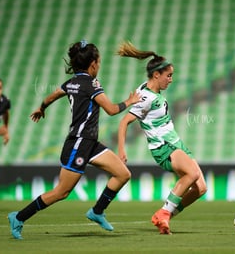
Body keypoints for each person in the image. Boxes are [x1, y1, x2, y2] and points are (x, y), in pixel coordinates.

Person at [8, 40, 141, 240]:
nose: (99, 65)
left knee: (122, 174)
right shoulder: (91, 83)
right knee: (61, 192)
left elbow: (53, 95)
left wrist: (41, 108)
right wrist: (129, 102)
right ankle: (18, 217)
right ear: (93, 63)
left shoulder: (72, 82)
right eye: (99, 62)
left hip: (89, 143)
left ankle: (97, 211)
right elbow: (112, 110)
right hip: (79, 143)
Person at [116, 41, 207, 234]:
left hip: (176, 142)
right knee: (192, 174)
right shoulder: (146, 98)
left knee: (200, 189)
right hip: (163, 146)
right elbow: (124, 122)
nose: (171, 80)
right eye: (169, 75)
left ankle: (164, 216)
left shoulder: (149, 90)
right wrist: (122, 150)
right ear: (156, 75)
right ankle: (165, 213)